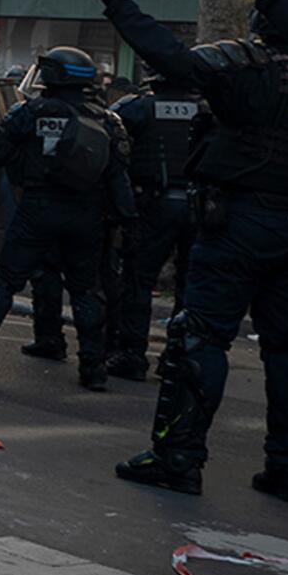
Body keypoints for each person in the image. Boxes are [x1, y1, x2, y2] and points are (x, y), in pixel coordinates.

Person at [83, 0, 288, 501]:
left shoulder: (247, 67)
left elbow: (172, 58)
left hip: (238, 222)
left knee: (200, 338)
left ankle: (178, 456)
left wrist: (118, 3)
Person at [0, 46, 133, 390]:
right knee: (85, 291)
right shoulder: (108, 119)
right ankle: (93, 368)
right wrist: (124, 222)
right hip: (85, 214)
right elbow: (118, 177)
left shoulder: (27, 112)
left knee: (3, 282)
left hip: (37, 209)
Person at [103, 72, 208, 381]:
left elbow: (110, 141)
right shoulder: (208, 110)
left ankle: (132, 354)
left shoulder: (137, 108)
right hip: (200, 207)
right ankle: (179, 356)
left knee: (137, 279)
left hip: (153, 204)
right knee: (191, 285)